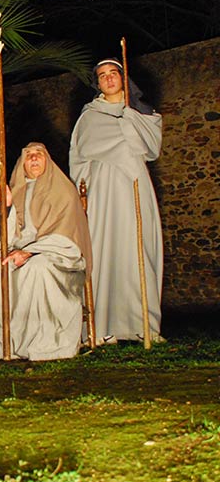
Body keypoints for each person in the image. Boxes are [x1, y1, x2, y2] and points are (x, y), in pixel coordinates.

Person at [69, 58, 164, 342]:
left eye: (113, 73)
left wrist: (130, 119)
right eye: (102, 76)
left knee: (137, 249)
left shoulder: (143, 114)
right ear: (97, 83)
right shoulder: (89, 116)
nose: (108, 79)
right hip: (103, 191)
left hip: (134, 185)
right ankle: (103, 325)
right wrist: (126, 134)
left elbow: (150, 147)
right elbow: (85, 147)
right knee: (104, 248)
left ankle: (142, 324)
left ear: (124, 78)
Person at [0, 142, 92, 361]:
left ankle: (43, 342)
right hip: (17, 252)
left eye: (39, 154)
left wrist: (31, 253)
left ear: (47, 160)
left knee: (37, 268)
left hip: (57, 256)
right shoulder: (15, 189)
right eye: (28, 155)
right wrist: (7, 207)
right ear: (22, 164)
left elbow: (68, 233)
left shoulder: (64, 190)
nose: (33, 159)